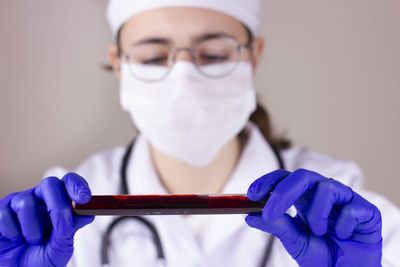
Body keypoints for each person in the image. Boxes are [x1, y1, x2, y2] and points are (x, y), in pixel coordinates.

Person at [1, 0, 399, 266]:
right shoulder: (57, 216)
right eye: (154, 57)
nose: (184, 79)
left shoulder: (349, 218)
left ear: (253, 56)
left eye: (213, 54)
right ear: (118, 64)